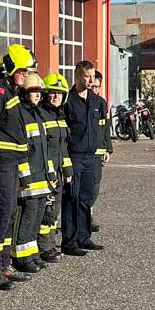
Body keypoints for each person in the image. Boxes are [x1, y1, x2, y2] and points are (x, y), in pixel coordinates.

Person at [0, 44, 38, 289]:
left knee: (9, 214)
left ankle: (3, 264)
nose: (25, 75)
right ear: (10, 67)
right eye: (22, 70)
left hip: (11, 165)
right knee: (1, 215)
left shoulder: (10, 91)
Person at [61, 60, 106, 256]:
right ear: (78, 76)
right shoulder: (67, 101)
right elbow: (63, 133)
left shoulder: (97, 102)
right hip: (75, 156)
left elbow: (102, 128)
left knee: (86, 199)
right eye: (87, 76)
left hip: (92, 158)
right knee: (72, 198)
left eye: (93, 76)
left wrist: (106, 149)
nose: (91, 80)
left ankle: (84, 237)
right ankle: (69, 242)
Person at [11, 73, 53, 273]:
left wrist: (50, 173)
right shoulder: (21, 115)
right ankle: (21, 257)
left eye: (39, 92)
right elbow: (21, 150)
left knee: (36, 219)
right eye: (33, 92)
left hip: (41, 178)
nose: (37, 96)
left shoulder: (39, 115)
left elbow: (46, 149)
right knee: (25, 220)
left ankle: (32, 254)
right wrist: (24, 175)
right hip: (28, 180)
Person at [37, 73, 73, 263]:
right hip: (46, 173)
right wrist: (50, 172)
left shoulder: (60, 116)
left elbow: (62, 148)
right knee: (47, 211)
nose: (55, 96)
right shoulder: (41, 115)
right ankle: (44, 248)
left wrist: (67, 170)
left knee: (54, 211)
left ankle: (49, 244)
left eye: (59, 93)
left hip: (58, 172)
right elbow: (43, 150)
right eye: (52, 93)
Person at [89, 71, 112, 233]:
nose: (95, 90)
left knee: (94, 188)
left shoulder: (101, 104)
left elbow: (105, 129)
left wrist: (107, 149)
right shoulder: (79, 101)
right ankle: (83, 219)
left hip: (97, 153)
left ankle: (88, 215)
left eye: (98, 87)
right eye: (93, 87)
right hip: (82, 154)